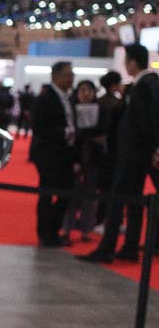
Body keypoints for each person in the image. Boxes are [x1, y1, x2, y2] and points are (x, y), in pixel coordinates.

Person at [79, 45, 159, 263]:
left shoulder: (146, 85)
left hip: (134, 154)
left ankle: (108, 248)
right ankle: (129, 248)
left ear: (132, 62)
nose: (125, 65)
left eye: (126, 61)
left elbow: (151, 120)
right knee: (132, 201)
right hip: (136, 153)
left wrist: (154, 148)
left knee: (118, 200)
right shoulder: (143, 85)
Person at [28, 61, 78, 246]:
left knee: (66, 194)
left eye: (72, 74)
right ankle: (45, 234)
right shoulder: (44, 98)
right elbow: (39, 128)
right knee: (47, 194)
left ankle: (53, 231)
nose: (71, 78)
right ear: (56, 77)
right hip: (49, 155)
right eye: (68, 74)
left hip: (66, 154)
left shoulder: (68, 98)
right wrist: (64, 132)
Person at [61, 80, 107, 241]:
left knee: (90, 196)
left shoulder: (102, 110)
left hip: (94, 159)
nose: (86, 93)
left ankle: (86, 230)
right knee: (70, 196)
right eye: (82, 90)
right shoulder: (71, 110)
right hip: (74, 158)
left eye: (89, 90)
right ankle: (67, 228)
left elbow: (103, 131)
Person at [95, 71, 126, 225]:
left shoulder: (98, 101)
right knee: (113, 187)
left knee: (103, 187)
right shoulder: (119, 104)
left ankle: (100, 218)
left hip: (100, 151)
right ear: (114, 85)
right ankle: (110, 219)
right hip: (115, 151)